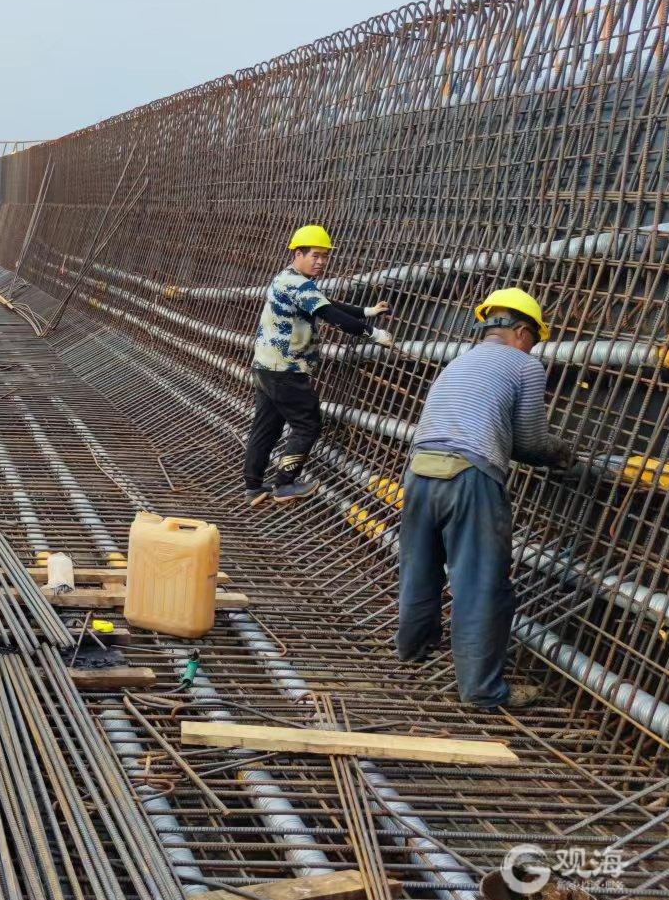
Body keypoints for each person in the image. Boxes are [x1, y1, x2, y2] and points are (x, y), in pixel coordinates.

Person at [396, 288, 575, 710]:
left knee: (420, 566)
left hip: (419, 470)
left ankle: (412, 647)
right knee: (481, 583)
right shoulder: (525, 365)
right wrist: (562, 453)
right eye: (533, 339)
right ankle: (481, 690)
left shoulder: (459, 360)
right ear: (520, 332)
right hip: (470, 476)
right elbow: (529, 440)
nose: (533, 347)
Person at [244, 224, 393, 505]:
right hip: (286, 370)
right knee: (307, 423)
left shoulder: (286, 279)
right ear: (297, 253)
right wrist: (373, 333)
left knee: (266, 427)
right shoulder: (298, 284)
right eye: (315, 255)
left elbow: (327, 303)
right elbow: (329, 314)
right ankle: (284, 484)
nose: (321, 261)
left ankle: (253, 486)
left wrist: (367, 311)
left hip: (266, 367)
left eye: (325, 256)